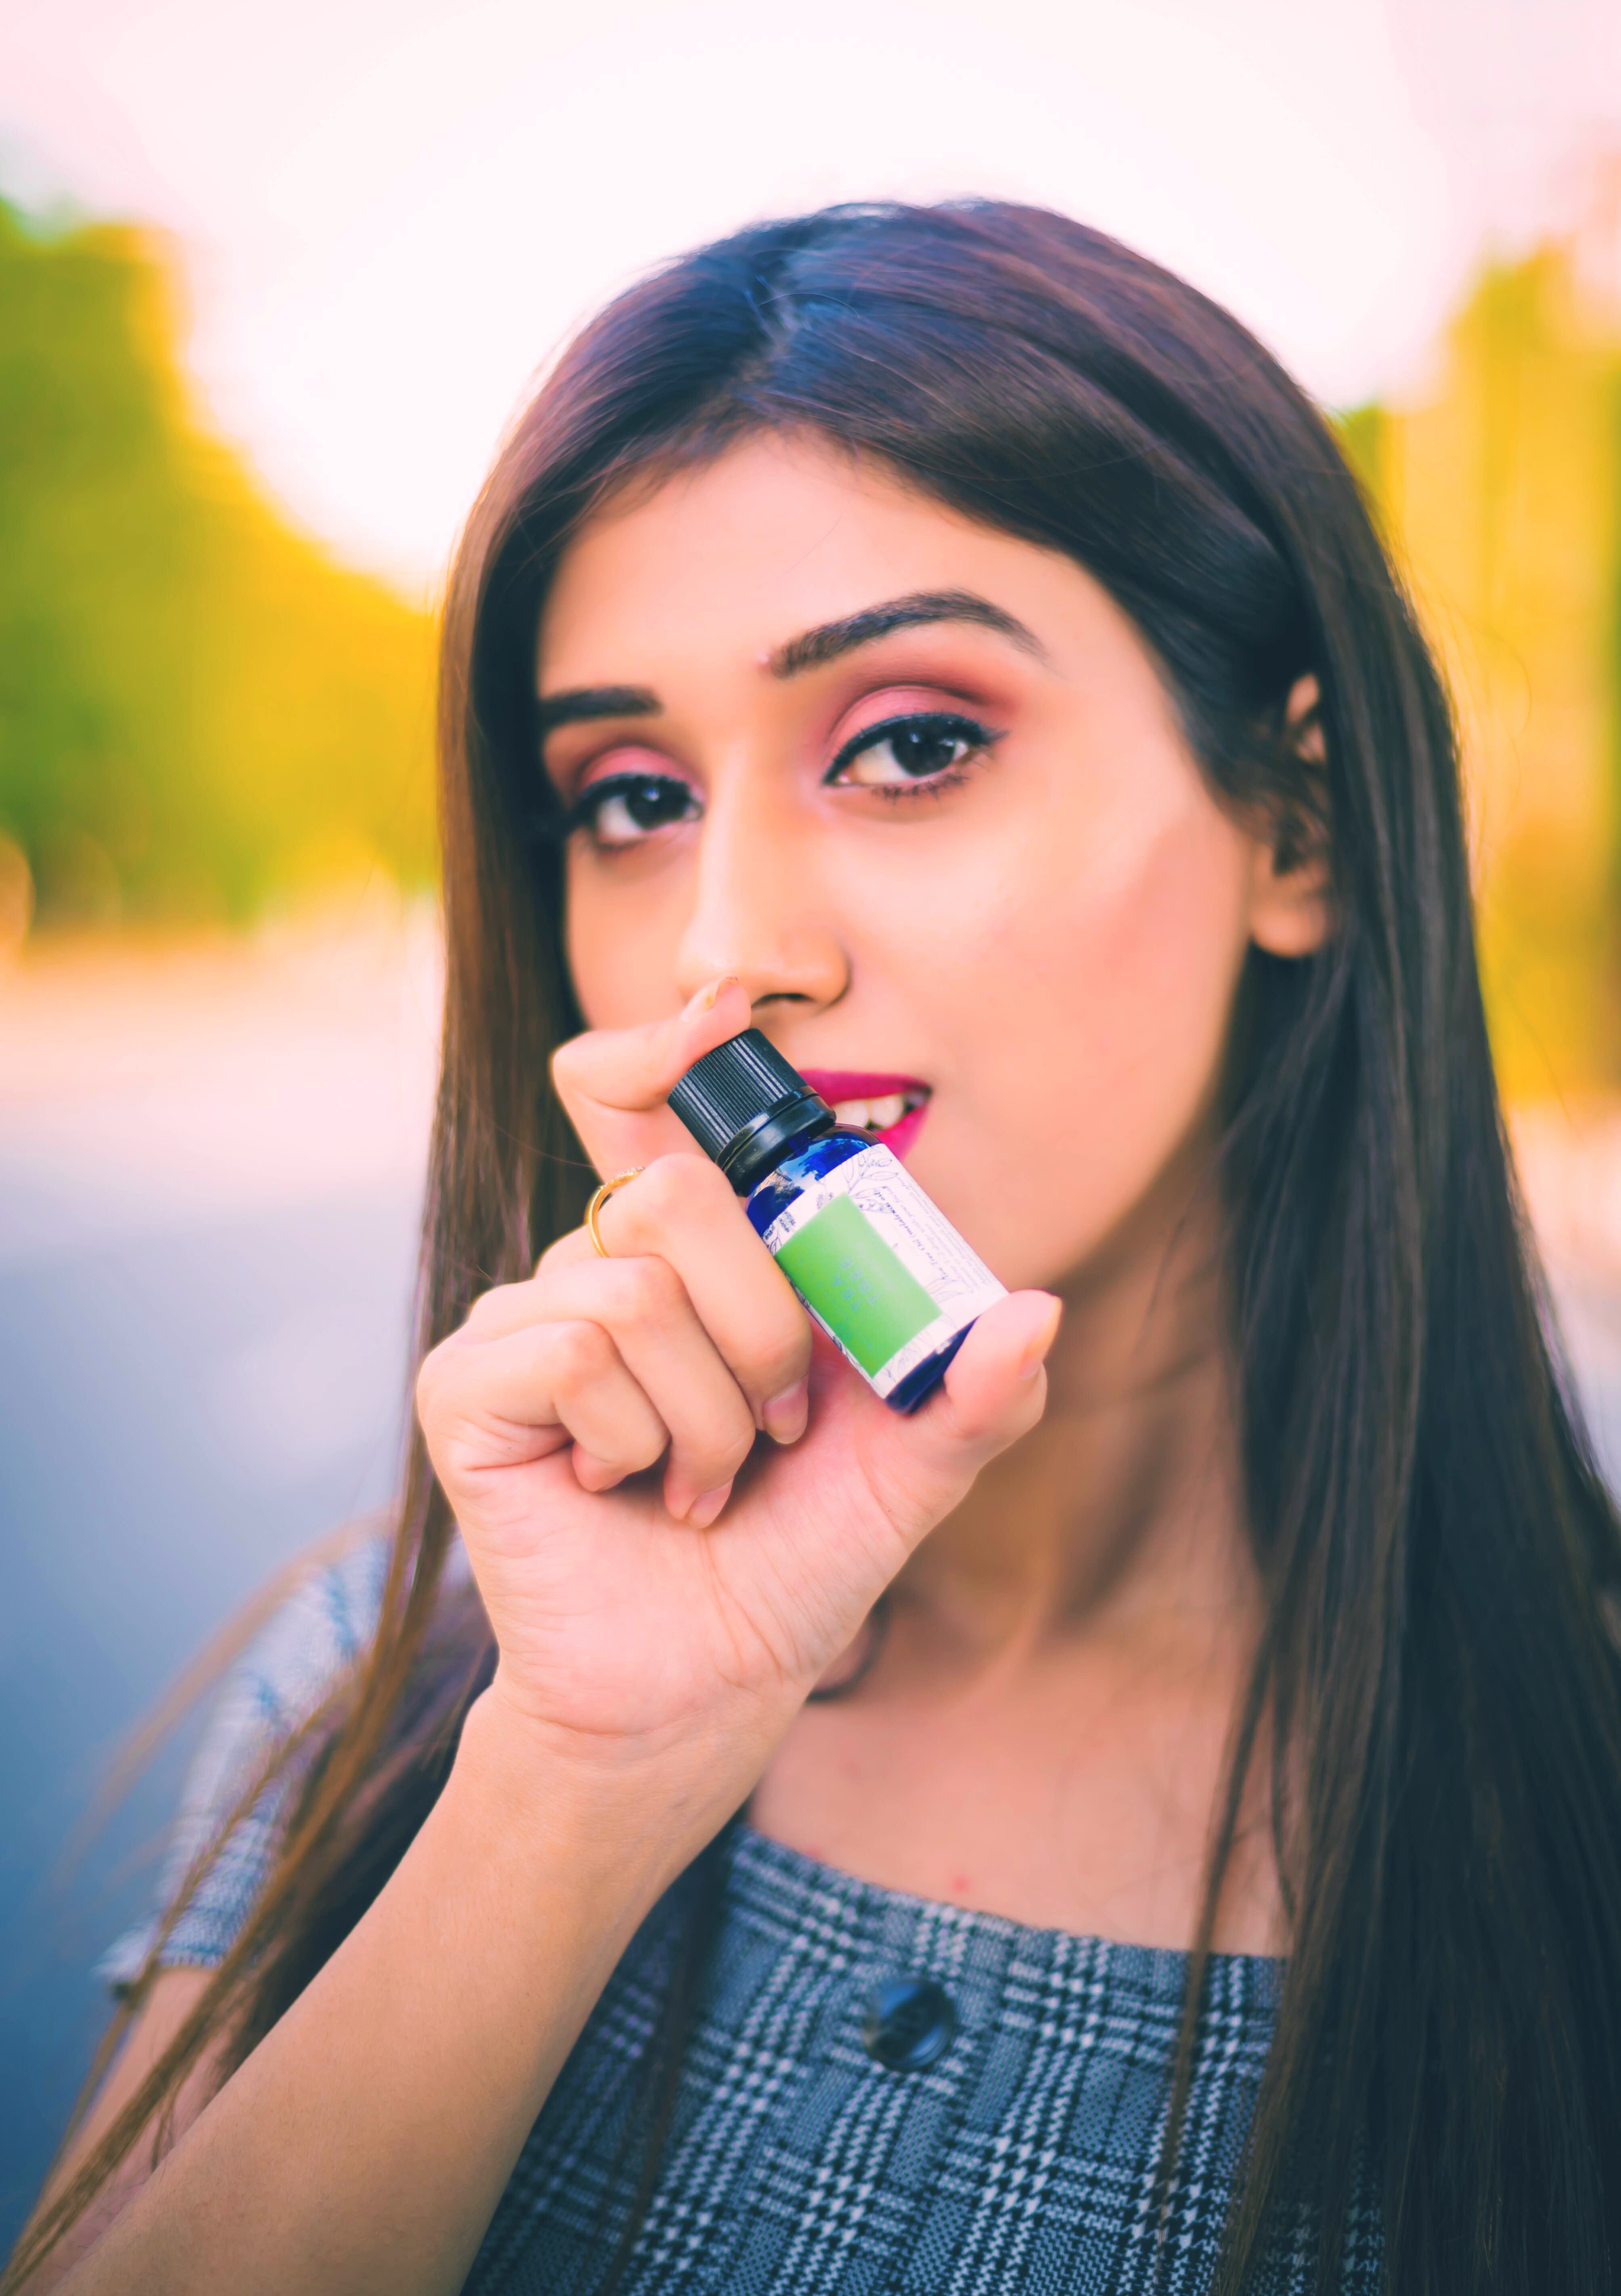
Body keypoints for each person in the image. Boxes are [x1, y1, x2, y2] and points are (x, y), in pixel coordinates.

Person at [12, 200, 1621, 2296]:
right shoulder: (420, 1689)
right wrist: (577, 1789)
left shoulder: (1565, 1798)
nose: (727, 946)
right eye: (631, 796)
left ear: (1297, 828)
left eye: (916, 744)